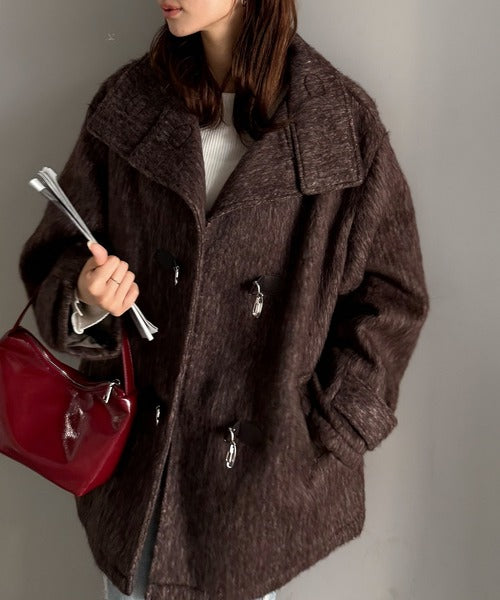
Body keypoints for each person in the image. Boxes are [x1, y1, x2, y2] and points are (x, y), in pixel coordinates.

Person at [18, 0, 430, 599]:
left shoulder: (339, 125)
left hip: (253, 492)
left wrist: (327, 430)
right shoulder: (130, 103)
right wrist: (87, 299)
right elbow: (57, 251)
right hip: (138, 479)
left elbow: (392, 297)